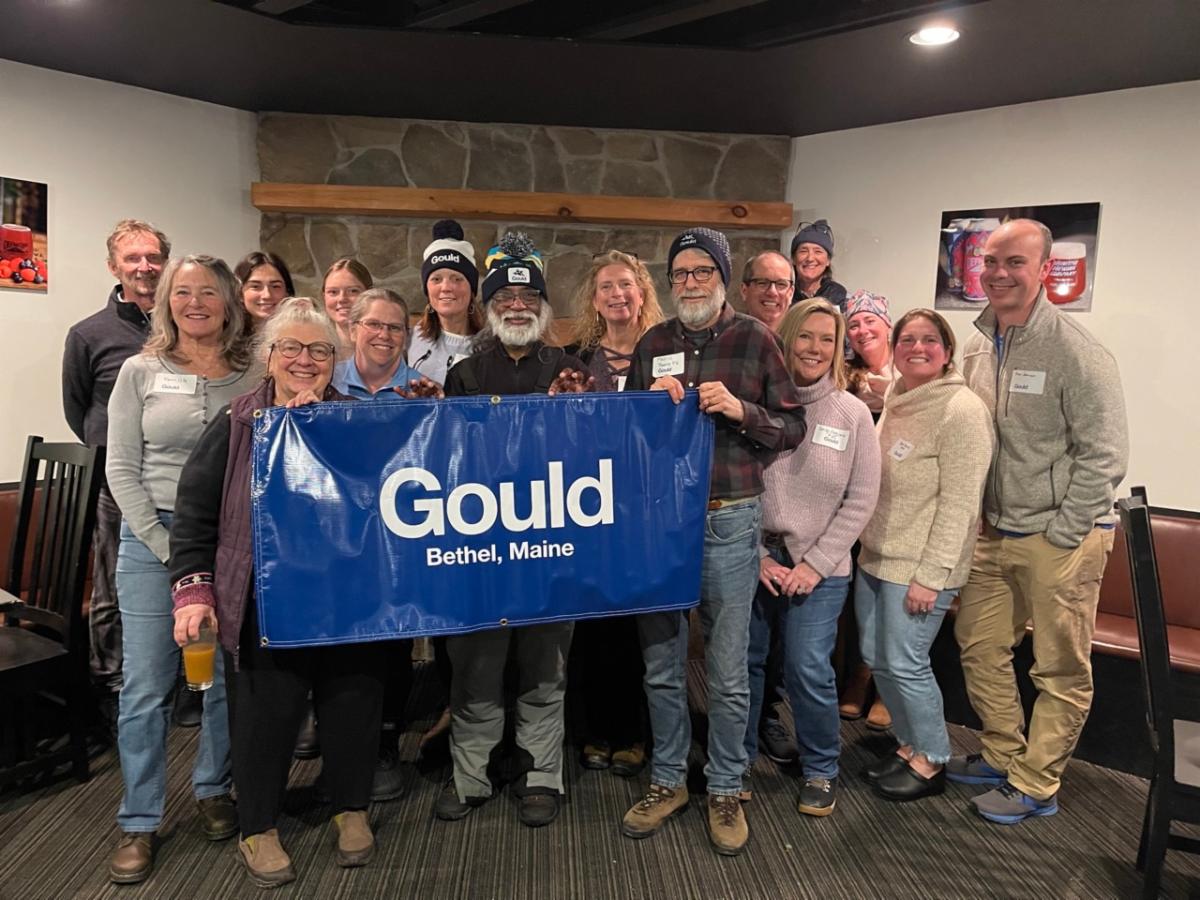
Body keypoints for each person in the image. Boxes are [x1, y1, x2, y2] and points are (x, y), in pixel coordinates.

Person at [169, 297, 389, 889]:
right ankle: (257, 826)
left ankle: (351, 806)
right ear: (268, 358)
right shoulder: (237, 420)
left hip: (347, 600)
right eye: (290, 347)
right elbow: (193, 514)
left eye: (319, 350)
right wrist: (194, 592)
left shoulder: (355, 420)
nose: (304, 360)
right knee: (264, 716)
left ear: (335, 361)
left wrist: (321, 431)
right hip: (263, 600)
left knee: (352, 702)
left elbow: (386, 498)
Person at [620, 227, 806, 856]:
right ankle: (669, 780)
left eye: (703, 271)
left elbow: (793, 427)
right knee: (661, 665)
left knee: (727, 672)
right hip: (661, 525)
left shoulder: (755, 339)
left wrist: (739, 410)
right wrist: (645, 407)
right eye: (681, 273)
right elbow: (625, 438)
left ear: (723, 278)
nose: (691, 282)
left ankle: (726, 785)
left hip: (729, 519)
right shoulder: (653, 343)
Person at [951, 219, 1128, 824]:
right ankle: (1003, 754)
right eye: (991, 261)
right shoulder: (976, 345)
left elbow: (1105, 455)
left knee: (1059, 668)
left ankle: (1037, 782)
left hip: (1062, 538)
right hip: (994, 532)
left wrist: (1064, 530)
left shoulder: (1078, 352)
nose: (999, 273)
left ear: (1044, 269)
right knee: (979, 647)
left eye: (1015, 262)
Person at [434, 233, 592, 829]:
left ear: (544, 307)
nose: (518, 305)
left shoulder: (572, 371)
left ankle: (540, 773)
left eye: (529, 297)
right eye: (505, 297)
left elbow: (594, 458)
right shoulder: (464, 374)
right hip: (479, 550)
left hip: (552, 549)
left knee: (545, 667)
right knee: (476, 668)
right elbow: (445, 461)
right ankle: (471, 775)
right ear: (490, 306)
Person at [104, 255, 253, 884]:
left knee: (222, 680)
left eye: (209, 292)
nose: (196, 303)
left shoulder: (253, 373)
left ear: (229, 302)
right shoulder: (139, 371)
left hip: (230, 542)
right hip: (150, 541)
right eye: (183, 292)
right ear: (166, 301)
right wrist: (172, 551)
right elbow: (120, 470)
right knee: (147, 687)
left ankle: (214, 788)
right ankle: (139, 820)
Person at [745, 299, 879, 817]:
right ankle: (737, 760)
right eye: (806, 336)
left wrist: (815, 564)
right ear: (786, 339)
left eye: (828, 339)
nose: (815, 348)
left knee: (806, 667)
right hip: (754, 558)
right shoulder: (754, 405)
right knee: (746, 663)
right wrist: (758, 555)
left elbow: (861, 500)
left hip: (821, 567)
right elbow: (732, 487)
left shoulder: (852, 414)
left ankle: (821, 766)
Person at [856, 309, 993, 803]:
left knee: (906, 662)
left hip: (920, 567)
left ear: (947, 351)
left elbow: (961, 504)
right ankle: (909, 742)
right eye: (907, 339)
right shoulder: (898, 396)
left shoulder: (961, 410)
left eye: (929, 340)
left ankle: (932, 758)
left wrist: (932, 576)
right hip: (876, 556)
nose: (917, 348)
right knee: (877, 657)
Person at [62, 219, 168, 735]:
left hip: (174, 484)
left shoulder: (184, 326)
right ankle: (111, 685)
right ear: (114, 267)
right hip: (116, 486)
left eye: (153, 257)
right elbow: (78, 410)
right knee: (113, 588)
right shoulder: (88, 334)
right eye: (133, 258)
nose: (145, 267)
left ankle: (176, 682)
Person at [563, 249, 664, 776]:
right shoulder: (575, 358)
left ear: (641, 293)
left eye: (626, 284)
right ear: (595, 299)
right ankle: (593, 731)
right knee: (590, 624)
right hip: (587, 507)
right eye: (606, 286)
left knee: (639, 628)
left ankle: (633, 732)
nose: (617, 294)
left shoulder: (666, 351)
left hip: (647, 510)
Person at [838, 289, 895, 732]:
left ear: (887, 325)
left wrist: (890, 394)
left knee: (890, 596)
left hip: (897, 500)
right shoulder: (845, 376)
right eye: (854, 324)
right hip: (854, 497)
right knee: (858, 597)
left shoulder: (910, 372)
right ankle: (857, 676)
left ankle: (886, 687)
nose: (862, 330)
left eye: (870, 321)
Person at [407, 219, 484, 385]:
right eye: (436, 279)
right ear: (427, 289)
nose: (446, 287)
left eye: (457, 279)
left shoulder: (491, 345)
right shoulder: (408, 340)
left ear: (472, 289)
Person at [332, 288, 423, 399]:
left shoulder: (422, 391)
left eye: (395, 327)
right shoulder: (329, 380)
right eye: (373, 324)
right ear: (353, 331)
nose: (384, 335)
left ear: (406, 337)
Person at [789, 219, 847, 310]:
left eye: (818, 252)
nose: (810, 258)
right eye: (803, 251)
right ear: (794, 259)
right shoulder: (784, 292)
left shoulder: (838, 294)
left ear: (828, 260)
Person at [233, 251, 295, 330]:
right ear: (240, 294)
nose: (267, 295)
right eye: (255, 286)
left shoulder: (303, 333)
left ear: (287, 292)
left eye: (275, 286)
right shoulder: (226, 336)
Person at [322, 257, 372, 349]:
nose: (342, 299)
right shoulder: (317, 350)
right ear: (324, 296)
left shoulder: (384, 347)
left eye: (353, 291)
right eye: (333, 292)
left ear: (369, 294)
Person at [739, 250, 795, 333]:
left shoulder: (803, 338)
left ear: (791, 293)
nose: (772, 292)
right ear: (744, 291)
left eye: (781, 284)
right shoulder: (727, 338)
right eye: (762, 283)